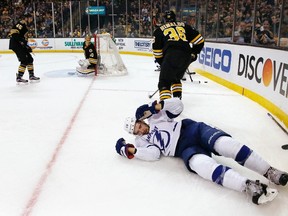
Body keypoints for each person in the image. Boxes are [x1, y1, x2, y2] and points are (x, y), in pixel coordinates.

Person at [115, 98, 288, 205]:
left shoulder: (155, 116)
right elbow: (154, 154)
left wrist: (160, 105)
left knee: (226, 145)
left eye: (139, 126)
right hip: (184, 149)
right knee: (202, 167)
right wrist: (134, 150)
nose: (140, 130)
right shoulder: (141, 141)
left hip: (193, 130)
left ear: (141, 121)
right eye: (136, 131)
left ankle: (269, 171)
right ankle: (248, 186)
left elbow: (178, 106)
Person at [152, 10, 204, 100]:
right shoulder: (184, 26)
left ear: (164, 20)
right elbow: (200, 41)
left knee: (164, 82)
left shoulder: (158, 31)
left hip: (171, 55)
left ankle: (167, 106)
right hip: (186, 55)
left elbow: (157, 52)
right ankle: (177, 101)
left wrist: (163, 64)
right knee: (175, 79)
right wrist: (194, 53)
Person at [9, 15, 40, 83]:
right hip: (16, 44)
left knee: (30, 59)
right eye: (30, 18)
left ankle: (31, 75)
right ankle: (19, 77)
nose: (31, 20)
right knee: (24, 60)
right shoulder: (21, 23)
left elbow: (23, 38)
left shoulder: (25, 26)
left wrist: (27, 46)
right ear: (26, 18)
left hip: (20, 44)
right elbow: (14, 33)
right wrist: (23, 42)